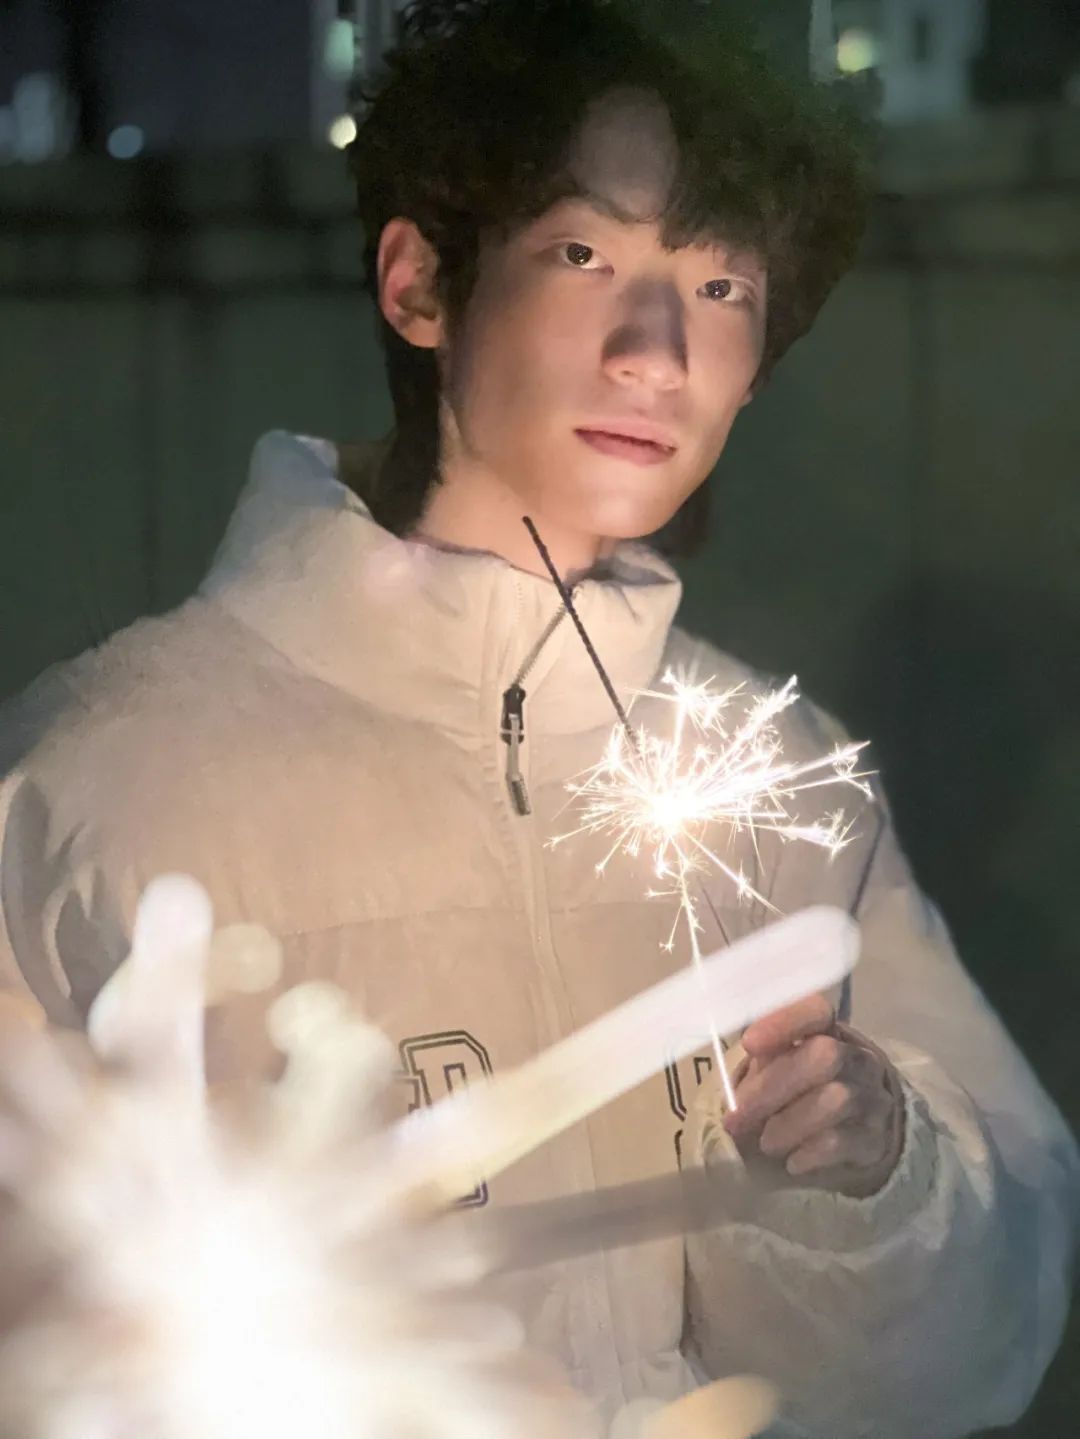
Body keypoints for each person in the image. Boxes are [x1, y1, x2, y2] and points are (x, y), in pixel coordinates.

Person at [0, 2, 1075, 1435]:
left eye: (721, 285)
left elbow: (980, 1349)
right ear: (420, 281)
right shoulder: (98, 781)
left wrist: (871, 1178)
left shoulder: (782, 776)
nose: (656, 351)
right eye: (585, 255)